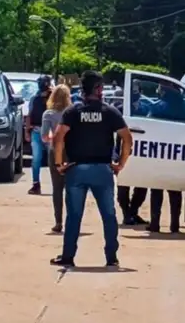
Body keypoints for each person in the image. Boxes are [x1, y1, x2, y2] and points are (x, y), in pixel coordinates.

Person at [50, 71, 133, 267]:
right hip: (103, 170)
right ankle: (111, 257)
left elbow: (58, 138)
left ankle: (68, 256)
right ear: (99, 89)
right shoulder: (110, 112)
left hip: (76, 169)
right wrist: (120, 164)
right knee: (109, 215)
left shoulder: (72, 112)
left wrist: (59, 164)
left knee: (74, 216)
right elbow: (127, 139)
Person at [146, 80, 185, 233]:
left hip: (158, 152)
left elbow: (147, 125)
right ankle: (175, 225)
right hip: (176, 152)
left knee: (156, 189)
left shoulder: (157, 107)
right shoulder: (182, 107)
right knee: (175, 189)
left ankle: (155, 223)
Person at [41, 85, 73, 233]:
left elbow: (44, 136)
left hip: (55, 151)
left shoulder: (48, 114)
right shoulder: (72, 112)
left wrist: (53, 138)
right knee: (72, 188)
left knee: (57, 188)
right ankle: (72, 220)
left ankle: (58, 221)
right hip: (71, 151)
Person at [115, 85, 149, 226]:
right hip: (123, 150)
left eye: (137, 91)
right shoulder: (119, 109)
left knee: (142, 185)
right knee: (123, 185)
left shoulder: (145, 109)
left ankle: (133, 212)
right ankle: (127, 213)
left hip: (142, 152)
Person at [27, 75, 53, 195]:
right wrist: (27, 131)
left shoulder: (53, 98)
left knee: (53, 159)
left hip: (50, 132)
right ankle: (36, 184)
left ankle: (58, 184)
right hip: (36, 131)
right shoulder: (34, 98)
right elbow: (30, 115)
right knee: (36, 159)